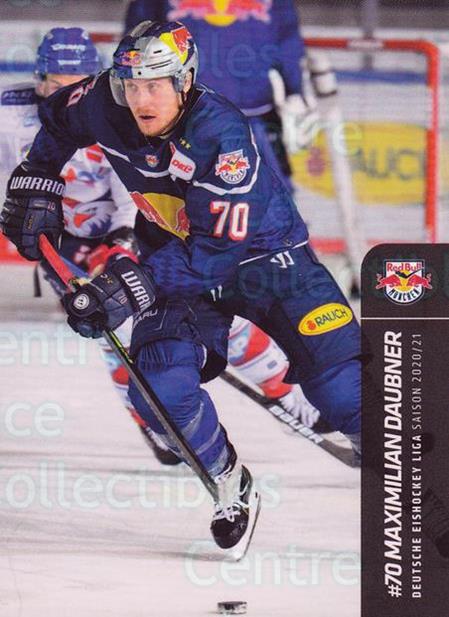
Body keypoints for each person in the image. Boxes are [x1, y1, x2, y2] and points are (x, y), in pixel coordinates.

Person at [0, 21, 361, 552]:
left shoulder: (222, 134)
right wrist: (39, 177)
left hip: (268, 261)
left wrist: (133, 284)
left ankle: (402, 474)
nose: (140, 99)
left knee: (344, 389)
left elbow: (216, 252)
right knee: (159, 389)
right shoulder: (103, 100)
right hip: (176, 258)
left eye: (155, 85)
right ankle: (227, 480)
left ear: (185, 81)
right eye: (131, 85)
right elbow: (57, 119)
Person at [123, 0, 325, 433]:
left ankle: (287, 363)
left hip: (254, 122)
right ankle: (188, 358)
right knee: (186, 235)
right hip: (178, 131)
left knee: (266, 231)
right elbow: (135, 42)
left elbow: (286, 39)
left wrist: (295, 91)